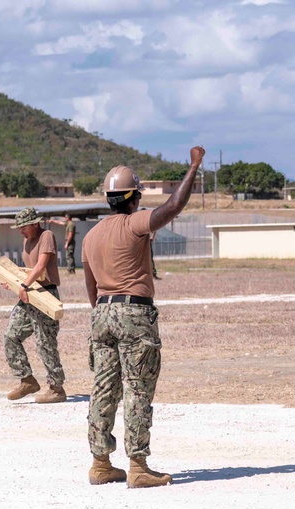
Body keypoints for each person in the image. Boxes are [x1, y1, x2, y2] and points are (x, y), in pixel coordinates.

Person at [82, 147, 204, 488]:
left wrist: (105, 314)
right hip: (134, 311)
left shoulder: (90, 236)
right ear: (134, 197)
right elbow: (173, 207)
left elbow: (91, 289)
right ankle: (138, 465)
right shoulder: (135, 222)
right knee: (137, 388)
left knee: (103, 389)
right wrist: (193, 166)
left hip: (102, 313)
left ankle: (101, 463)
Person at [4, 207, 67, 404]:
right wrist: (13, 281)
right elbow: (30, 270)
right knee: (11, 336)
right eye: (19, 227)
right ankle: (27, 380)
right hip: (29, 294)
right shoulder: (27, 240)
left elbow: (41, 266)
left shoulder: (46, 235)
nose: (21, 231)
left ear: (34, 223)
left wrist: (23, 284)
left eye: (23, 227)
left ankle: (57, 389)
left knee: (45, 343)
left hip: (46, 294)